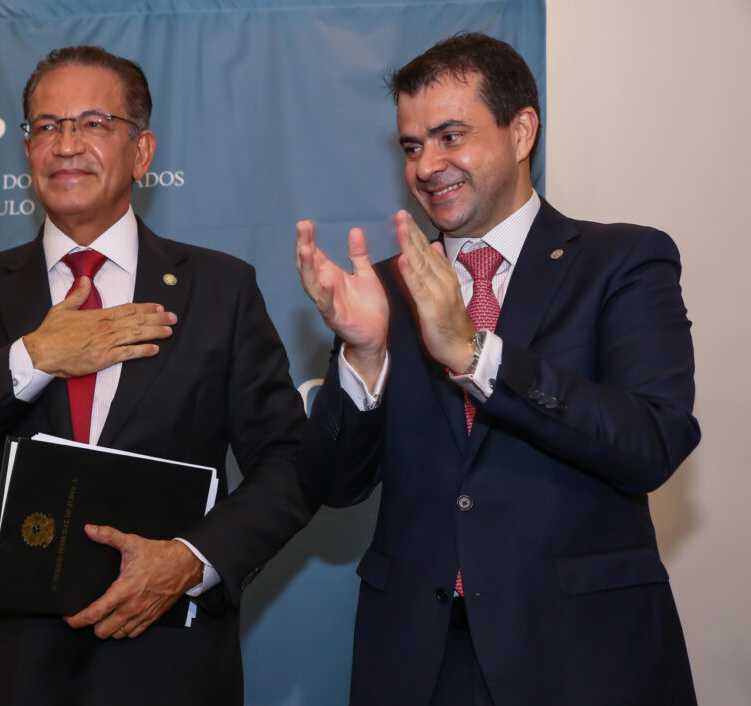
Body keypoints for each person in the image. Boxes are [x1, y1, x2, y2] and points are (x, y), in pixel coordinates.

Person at [0, 45, 314, 706]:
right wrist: (31, 360)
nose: (66, 144)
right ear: (28, 149)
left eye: (94, 123)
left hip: (165, 666)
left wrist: (191, 559)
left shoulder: (220, 290)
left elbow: (290, 464)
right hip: (1, 670)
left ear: (142, 152)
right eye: (47, 126)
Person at [295, 32, 699, 706]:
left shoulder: (622, 262)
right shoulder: (384, 289)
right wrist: (363, 357)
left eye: (450, 136)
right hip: (421, 662)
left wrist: (477, 356)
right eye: (412, 147)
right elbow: (334, 486)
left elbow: (651, 442)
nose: (428, 166)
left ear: (521, 132)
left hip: (583, 657)